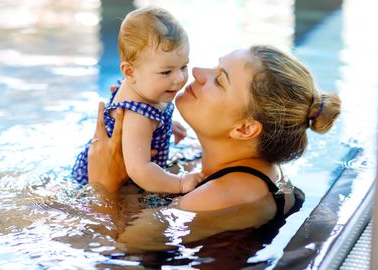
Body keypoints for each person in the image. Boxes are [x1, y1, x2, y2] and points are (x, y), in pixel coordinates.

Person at [87, 45, 341, 219]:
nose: (197, 73)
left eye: (220, 80)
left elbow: (121, 256)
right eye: (216, 67)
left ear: (245, 128)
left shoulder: (221, 196)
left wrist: (102, 187)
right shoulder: (237, 172)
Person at [72, 7, 203, 193]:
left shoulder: (142, 87)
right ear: (130, 72)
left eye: (184, 66)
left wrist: (166, 124)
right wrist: (180, 183)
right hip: (108, 186)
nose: (180, 78)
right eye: (166, 72)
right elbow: (140, 171)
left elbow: (148, 122)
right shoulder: (138, 116)